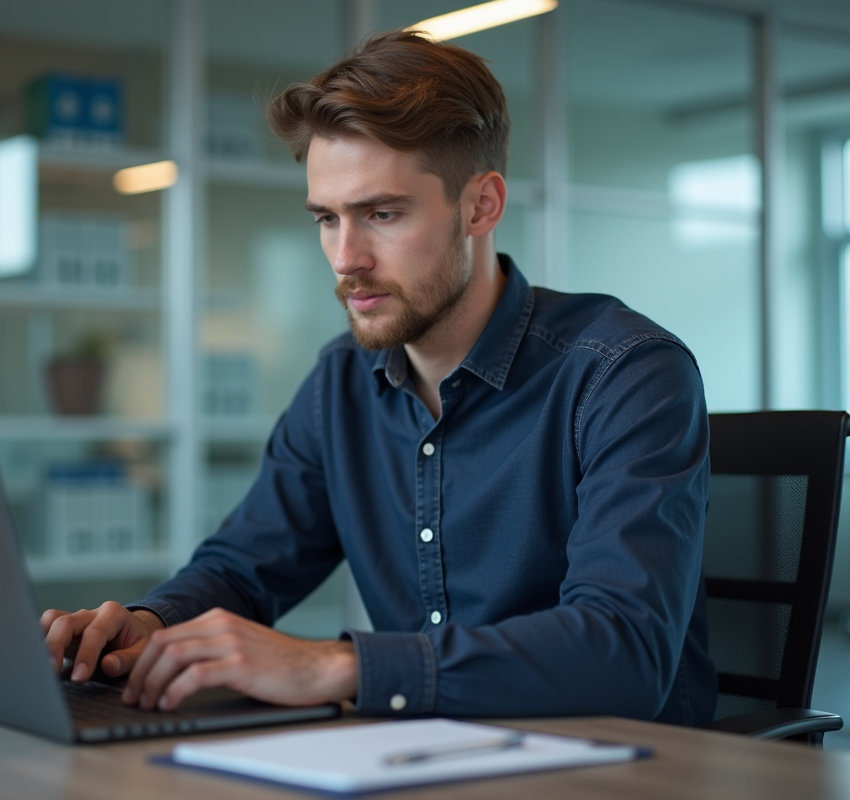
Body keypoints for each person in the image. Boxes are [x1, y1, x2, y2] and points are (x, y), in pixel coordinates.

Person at [40, 30, 717, 726]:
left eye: (382, 214)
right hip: (425, 752)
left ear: (481, 206)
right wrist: (150, 624)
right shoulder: (339, 381)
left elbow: (624, 653)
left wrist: (334, 666)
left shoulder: (625, 373)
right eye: (326, 219)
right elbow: (245, 565)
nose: (346, 258)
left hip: (618, 762)